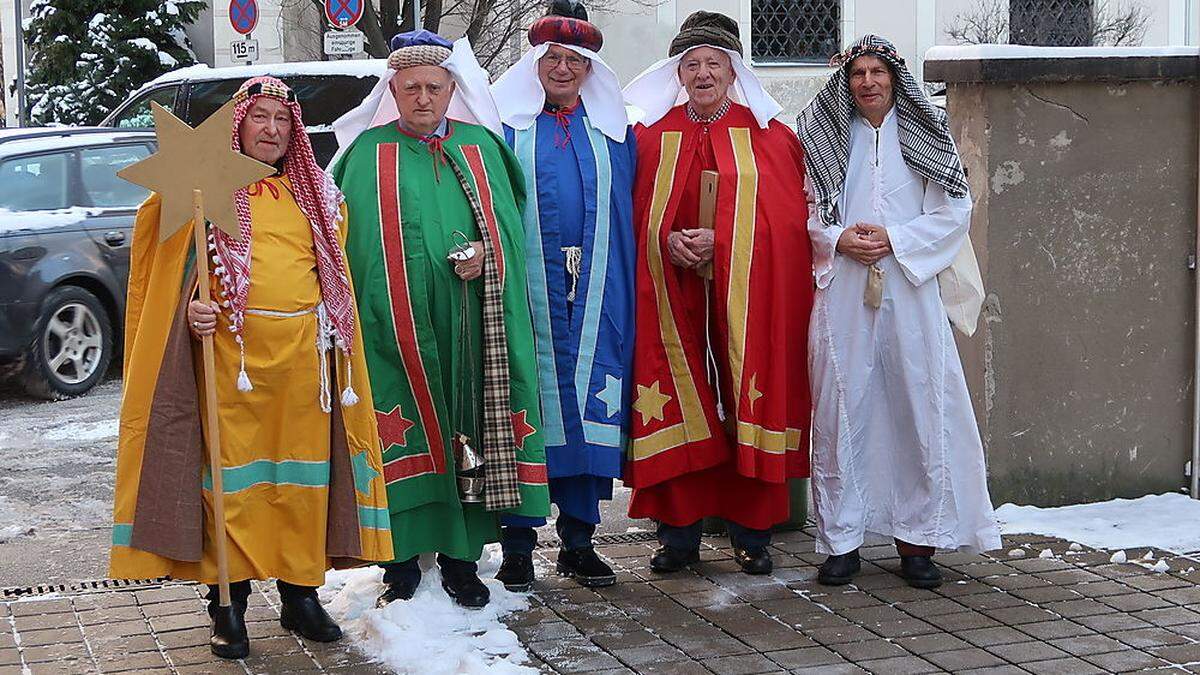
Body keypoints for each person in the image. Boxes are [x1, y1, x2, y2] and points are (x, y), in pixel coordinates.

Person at [110, 76, 392, 659]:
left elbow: (334, 268)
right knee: (232, 487)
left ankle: (299, 593)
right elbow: (164, 272)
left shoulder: (315, 192)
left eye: (281, 120)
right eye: (260, 117)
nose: (271, 130)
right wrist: (190, 306)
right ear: (239, 125)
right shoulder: (199, 190)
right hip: (229, 360)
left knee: (301, 485)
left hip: (304, 363)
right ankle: (228, 603)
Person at [331, 30, 550, 609]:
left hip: (471, 330)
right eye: (410, 89)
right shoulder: (364, 153)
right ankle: (398, 562)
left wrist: (488, 253)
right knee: (394, 432)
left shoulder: (481, 147)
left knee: (470, 427)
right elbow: (339, 241)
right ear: (393, 92)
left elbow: (512, 227)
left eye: (433, 87)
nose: (423, 98)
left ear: (452, 89)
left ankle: (462, 560)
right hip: (390, 332)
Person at [798, 35, 1001, 589]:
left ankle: (918, 542)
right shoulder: (820, 129)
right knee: (842, 405)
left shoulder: (927, 127)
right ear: (847, 80)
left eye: (877, 72)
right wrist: (839, 238)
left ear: (894, 76)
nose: (867, 82)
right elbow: (806, 208)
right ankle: (841, 541)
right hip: (841, 287)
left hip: (912, 287)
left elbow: (955, 208)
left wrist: (898, 240)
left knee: (919, 402)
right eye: (858, 72)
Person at [621, 11, 813, 576]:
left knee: (745, 393)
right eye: (692, 64)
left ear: (734, 72)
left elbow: (787, 224)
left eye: (714, 64)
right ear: (677, 73)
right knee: (679, 394)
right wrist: (667, 240)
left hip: (746, 300)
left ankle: (753, 533)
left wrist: (724, 240)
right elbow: (629, 216)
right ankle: (677, 534)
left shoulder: (772, 138)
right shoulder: (652, 136)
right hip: (671, 293)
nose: (703, 74)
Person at [488, 0, 636, 591]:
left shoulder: (614, 134)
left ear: (590, 70)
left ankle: (579, 541)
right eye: (552, 57)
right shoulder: (506, 130)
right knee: (532, 408)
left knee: (587, 414)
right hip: (528, 299)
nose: (563, 68)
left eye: (575, 60)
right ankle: (520, 546)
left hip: (597, 299)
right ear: (534, 64)